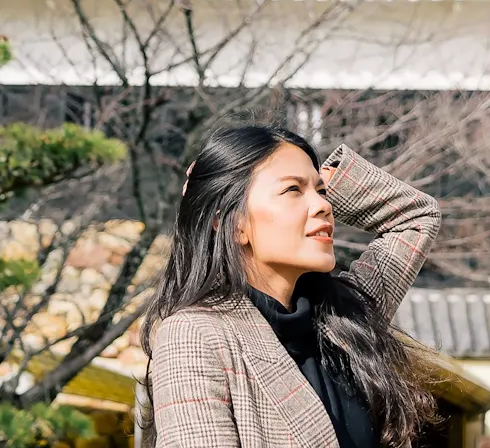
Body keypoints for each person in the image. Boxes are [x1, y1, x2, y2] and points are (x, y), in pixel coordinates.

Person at [140, 124, 443, 448]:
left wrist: (325, 182)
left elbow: (416, 216)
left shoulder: (346, 320)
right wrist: (211, 190)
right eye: (292, 191)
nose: (324, 206)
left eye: (322, 192)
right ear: (230, 222)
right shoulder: (196, 334)